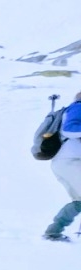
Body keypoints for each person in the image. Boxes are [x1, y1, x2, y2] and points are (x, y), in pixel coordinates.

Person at [44, 90, 81, 242]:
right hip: (70, 161)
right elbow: (69, 129)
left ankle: (53, 231)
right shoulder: (78, 107)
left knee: (79, 201)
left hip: (65, 162)